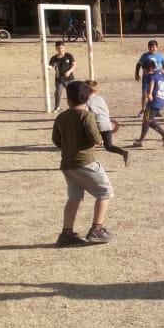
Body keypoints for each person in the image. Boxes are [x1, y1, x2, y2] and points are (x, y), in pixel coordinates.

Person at [52, 80, 114, 246]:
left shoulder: (61, 117)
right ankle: (96, 229)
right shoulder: (86, 116)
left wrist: (69, 147)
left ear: (68, 99)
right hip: (85, 162)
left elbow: (56, 140)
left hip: (67, 164)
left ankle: (66, 233)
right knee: (105, 192)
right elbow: (97, 139)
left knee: (74, 197)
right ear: (87, 98)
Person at [85, 80, 131, 167]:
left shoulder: (87, 101)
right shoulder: (100, 98)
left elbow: (87, 114)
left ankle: (88, 162)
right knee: (109, 146)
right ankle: (123, 152)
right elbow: (107, 110)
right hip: (107, 123)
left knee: (89, 143)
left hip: (98, 125)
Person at [134, 60, 164, 147]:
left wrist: (150, 93)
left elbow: (152, 81)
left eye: (144, 70)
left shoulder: (151, 75)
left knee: (147, 120)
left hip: (153, 100)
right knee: (147, 120)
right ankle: (140, 140)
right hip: (161, 101)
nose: (144, 72)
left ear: (150, 68)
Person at [134, 39, 164, 115]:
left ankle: (156, 110)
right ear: (148, 48)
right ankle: (143, 109)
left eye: (154, 47)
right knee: (145, 93)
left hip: (157, 78)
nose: (152, 48)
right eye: (150, 47)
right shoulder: (145, 56)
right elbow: (139, 64)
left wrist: (163, 70)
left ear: (157, 47)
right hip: (147, 78)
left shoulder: (160, 55)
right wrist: (136, 74)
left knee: (156, 94)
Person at [48, 41, 76, 112]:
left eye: (61, 48)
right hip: (59, 79)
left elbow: (74, 65)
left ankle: (72, 107)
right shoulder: (54, 58)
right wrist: (47, 66)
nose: (60, 50)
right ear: (56, 49)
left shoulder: (69, 56)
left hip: (69, 79)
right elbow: (51, 66)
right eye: (58, 48)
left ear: (64, 47)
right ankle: (57, 107)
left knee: (71, 93)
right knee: (58, 93)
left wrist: (69, 72)